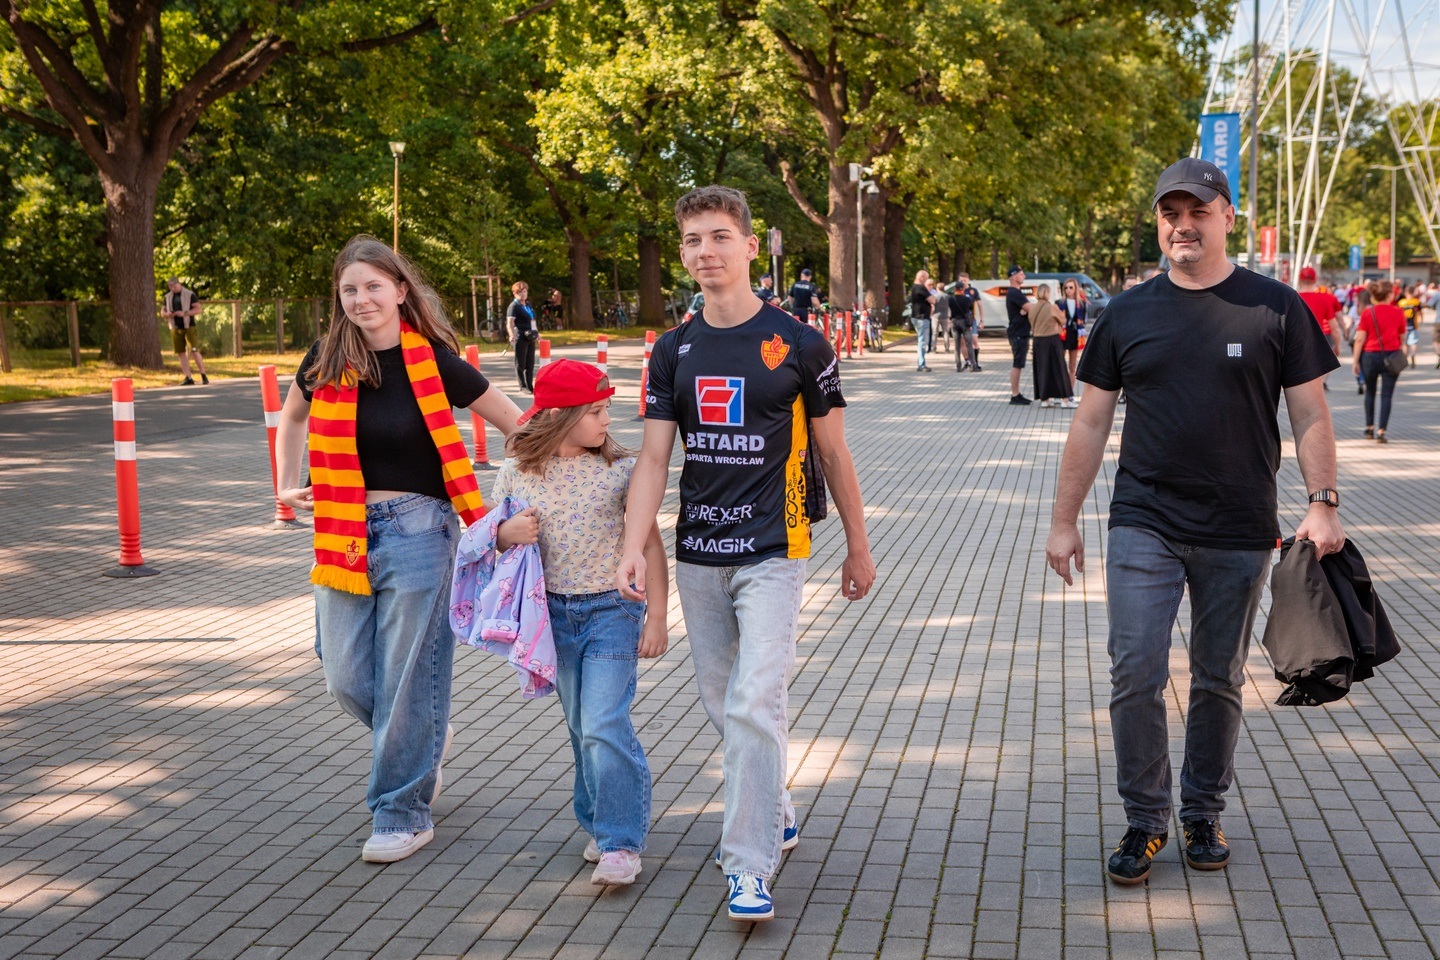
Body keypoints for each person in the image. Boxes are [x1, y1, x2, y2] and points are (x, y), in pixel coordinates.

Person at [1044, 158, 1343, 887]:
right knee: (1134, 670)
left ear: (1227, 217)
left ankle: (1202, 811)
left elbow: (1310, 411)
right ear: (1158, 223)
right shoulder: (1127, 313)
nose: (1183, 225)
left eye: (1198, 212)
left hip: (1239, 525)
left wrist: (1322, 502)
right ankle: (1146, 820)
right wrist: (1063, 520)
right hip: (1142, 518)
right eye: (1170, 214)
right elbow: (1090, 422)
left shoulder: (1275, 307)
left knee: (1218, 677)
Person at [617, 185, 875, 922]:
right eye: (692, 239)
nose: (705, 251)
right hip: (698, 551)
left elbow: (834, 452)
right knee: (726, 706)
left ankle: (748, 865)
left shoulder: (799, 343)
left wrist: (859, 547)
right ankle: (775, 808)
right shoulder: (673, 350)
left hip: (774, 549)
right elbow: (655, 460)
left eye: (719, 236)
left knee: (755, 700)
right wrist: (633, 546)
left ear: (751, 246)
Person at [274, 235, 524, 864]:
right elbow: (292, 416)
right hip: (342, 530)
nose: (361, 299)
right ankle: (421, 740)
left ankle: (402, 811)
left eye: (373, 286)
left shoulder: (434, 362)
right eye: (349, 289)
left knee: (407, 677)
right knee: (344, 674)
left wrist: (553, 484)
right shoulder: (325, 359)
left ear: (400, 290)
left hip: (421, 532)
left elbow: (515, 423)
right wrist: (284, 481)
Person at [489, 359, 670, 885]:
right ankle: (597, 821)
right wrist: (505, 534)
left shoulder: (621, 470)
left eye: (606, 408)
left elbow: (651, 545)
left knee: (603, 723)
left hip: (613, 611)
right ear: (559, 416)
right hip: (552, 618)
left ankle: (620, 841)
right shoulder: (517, 471)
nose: (607, 420)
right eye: (595, 411)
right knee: (580, 726)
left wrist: (658, 617)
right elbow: (489, 538)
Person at [1353, 278, 1407, 443]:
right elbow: (1402, 337)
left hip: (1369, 356)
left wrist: (1355, 361)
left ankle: (1369, 427)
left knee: (1370, 392)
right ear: (1390, 294)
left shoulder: (1368, 312)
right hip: (1391, 356)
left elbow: (1360, 339)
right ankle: (1382, 431)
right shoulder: (1398, 312)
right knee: (1387, 395)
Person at [1026, 284, 1073, 407]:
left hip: (1037, 341)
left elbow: (1031, 323)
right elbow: (1063, 320)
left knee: (1042, 369)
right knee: (1059, 369)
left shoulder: (1032, 308)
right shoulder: (1052, 307)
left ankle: (1044, 399)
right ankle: (1065, 399)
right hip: (1052, 340)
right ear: (1047, 293)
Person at [161, 278, 208, 385]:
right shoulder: (168, 297)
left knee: (194, 350)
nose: (173, 288)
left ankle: (203, 374)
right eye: (170, 286)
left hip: (188, 326)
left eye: (175, 286)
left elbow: (198, 309)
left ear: (179, 284)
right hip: (175, 327)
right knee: (180, 352)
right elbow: (162, 312)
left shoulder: (189, 294)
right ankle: (188, 377)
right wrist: (167, 314)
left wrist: (185, 313)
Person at [1005, 265, 1032, 404]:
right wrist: (1026, 309)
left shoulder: (1015, 293)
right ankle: (1015, 395)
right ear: (1014, 276)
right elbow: (1031, 308)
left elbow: (1027, 309)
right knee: (1017, 364)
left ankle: (1016, 393)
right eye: (1022, 274)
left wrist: (1025, 310)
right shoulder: (1015, 293)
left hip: (1020, 332)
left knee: (1019, 364)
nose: (1024, 276)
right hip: (1018, 333)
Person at [507, 281, 539, 393]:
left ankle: (530, 385)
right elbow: (510, 323)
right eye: (520, 292)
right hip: (520, 336)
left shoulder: (528, 305)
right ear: (515, 293)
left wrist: (537, 333)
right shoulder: (514, 306)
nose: (523, 294)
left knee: (530, 363)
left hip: (530, 336)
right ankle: (522, 386)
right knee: (520, 363)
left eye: (525, 291)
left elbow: (532, 320)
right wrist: (511, 334)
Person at [950, 274, 983, 371]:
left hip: (960, 321)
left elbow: (979, 305)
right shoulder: (966, 299)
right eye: (961, 280)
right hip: (965, 322)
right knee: (966, 343)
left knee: (964, 343)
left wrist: (981, 320)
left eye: (965, 280)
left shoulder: (972, 291)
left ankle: (961, 365)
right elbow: (969, 309)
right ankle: (971, 363)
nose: (963, 282)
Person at [1058, 278, 1087, 385]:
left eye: (1071, 287)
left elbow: (1083, 320)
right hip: (1062, 334)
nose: (1068, 290)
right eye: (1066, 288)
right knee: (1060, 364)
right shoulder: (1059, 303)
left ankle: (1070, 391)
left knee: (1073, 366)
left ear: (1075, 289)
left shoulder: (1081, 304)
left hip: (1075, 335)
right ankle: (1061, 389)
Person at [909, 270, 936, 372]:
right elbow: (933, 300)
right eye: (926, 278)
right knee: (922, 341)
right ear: (921, 278)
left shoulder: (914, 287)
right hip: (922, 317)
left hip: (916, 316)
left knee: (921, 340)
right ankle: (921, 364)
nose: (926, 281)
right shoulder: (920, 287)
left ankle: (921, 363)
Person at [1398, 284, 1421, 368]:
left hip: (1403, 325)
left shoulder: (1401, 303)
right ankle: (1413, 355)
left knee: (1405, 343)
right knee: (1414, 342)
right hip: (1414, 325)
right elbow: (1419, 312)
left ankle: (1405, 358)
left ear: (1406, 293)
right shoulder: (1416, 302)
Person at [931, 278, 952, 354]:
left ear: (937, 288)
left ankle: (933, 348)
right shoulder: (947, 296)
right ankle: (947, 348)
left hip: (936, 316)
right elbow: (950, 307)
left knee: (935, 333)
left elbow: (932, 306)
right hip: (945, 316)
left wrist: (931, 314)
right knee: (946, 333)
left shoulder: (934, 296)